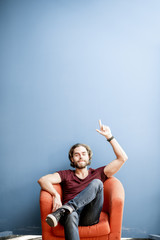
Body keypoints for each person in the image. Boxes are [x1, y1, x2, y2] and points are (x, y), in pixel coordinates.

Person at [38, 120, 128, 240]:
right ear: (72, 158)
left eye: (83, 154)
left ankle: (65, 209)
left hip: (89, 216)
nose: (80, 156)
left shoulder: (98, 173)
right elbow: (43, 180)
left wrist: (109, 137)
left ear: (89, 156)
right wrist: (56, 195)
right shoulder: (65, 174)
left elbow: (122, 158)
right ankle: (67, 210)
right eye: (77, 154)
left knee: (97, 183)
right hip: (70, 216)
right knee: (70, 214)